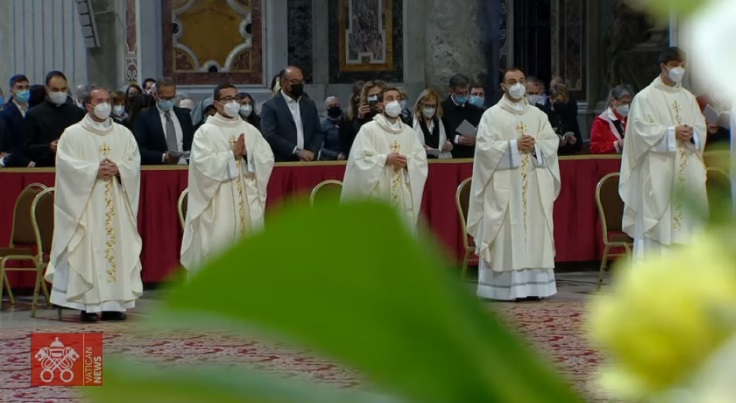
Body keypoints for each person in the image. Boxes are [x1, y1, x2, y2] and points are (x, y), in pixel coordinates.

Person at [44, 86, 143, 322]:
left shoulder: (123, 134)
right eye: (99, 100)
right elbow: (66, 167)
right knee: (87, 247)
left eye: (108, 100)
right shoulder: (73, 134)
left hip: (117, 203)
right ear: (87, 105)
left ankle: (114, 304)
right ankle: (88, 305)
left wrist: (120, 169)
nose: (105, 105)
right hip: (86, 205)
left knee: (117, 247)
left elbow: (134, 162)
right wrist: (93, 170)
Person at [467, 67, 561, 301]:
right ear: (503, 86)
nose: (517, 85)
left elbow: (551, 142)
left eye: (521, 80)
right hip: (505, 187)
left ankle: (536, 287)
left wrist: (535, 145)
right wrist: (513, 146)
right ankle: (502, 287)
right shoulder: (492, 115)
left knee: (534, 231)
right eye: (512, 81)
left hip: (534, 183)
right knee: (507, 231)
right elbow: (485, 149)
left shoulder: (538, 115)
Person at [619, 47, 708, 262]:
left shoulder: (687, 97)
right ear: (664, 67)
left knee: (688, 227)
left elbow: (700, 126)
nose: (679, 70)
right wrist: (672, 132)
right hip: (660, 170)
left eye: (682, 65)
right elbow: (639, 132)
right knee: (658, 226)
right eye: (675, 65)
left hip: (687, 170)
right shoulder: (645, 97)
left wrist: (692, 133)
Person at [181, 84, 275, 273]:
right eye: (227, 99)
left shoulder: (250, 130)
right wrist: (230, 154)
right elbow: (202, 167)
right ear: (216, 104)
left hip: (248, 201)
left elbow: (267, 159)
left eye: (236, 98)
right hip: (218, 205)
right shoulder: (205, 132)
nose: (234, 103)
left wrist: (249, 155)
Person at [341, 86, 428, 232]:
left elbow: (420, 161)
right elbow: (358, 161)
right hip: (377, 195)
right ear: (380, 104)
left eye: (398, 99)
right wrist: (384, 159)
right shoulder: (368, 130)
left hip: (402, 196)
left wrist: (408, 161)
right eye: (390, 98)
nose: (395, 102)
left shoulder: (409, 133)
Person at [260, 66, 323, 162]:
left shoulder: (309, 105)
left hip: (308, 162)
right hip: (282, 162)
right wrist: (296, 151)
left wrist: (312, 152)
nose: (299, 85)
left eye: (301, 82)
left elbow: (318, 132)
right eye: (294, 82)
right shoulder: (270, 106)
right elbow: (269, 135)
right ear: (283, 82)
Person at [23, 71, 86, 167]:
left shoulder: (78, 113)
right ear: (47, 89)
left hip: (74, 166)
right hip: (47, 167)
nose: (60, 93)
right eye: (55, 90)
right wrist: (49, 147)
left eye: (63, 89)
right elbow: (26, 148)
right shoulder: (34, 114)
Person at [133, 77, 195, 165]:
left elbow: (191, 143)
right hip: (160, 169)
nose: (169, 101)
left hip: (185, 168)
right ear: (155, 95)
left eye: (172, 97)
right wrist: (162, 157)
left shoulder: (184, 115)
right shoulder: (145, 117)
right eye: (165, 98)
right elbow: (138, 148)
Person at [442, 74, 483, 159]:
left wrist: (475, 140)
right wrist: (456, 139)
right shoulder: (442, 108)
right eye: (460, 94)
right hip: (451, 157)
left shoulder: (475, 110)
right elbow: (438, 134)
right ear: (451, 91)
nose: (464, 96)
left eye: (466, 93)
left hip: (471, 156)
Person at [590, 85, 635, 154]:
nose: (627, 106)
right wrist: (618, 144)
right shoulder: (601, 121)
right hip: (610, 162)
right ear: (613, 101)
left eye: (629, 103)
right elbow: (595, 148)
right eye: (624, 102)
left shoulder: (631, 119)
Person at [0, 75, 33, 167]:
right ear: (12, 91)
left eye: (26, 87)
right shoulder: (5, 114)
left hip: (34, 160)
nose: (24, 91)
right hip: (16, 163)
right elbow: (8, 143)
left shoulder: (34, 111)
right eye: (20, 88)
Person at [413, 88, 453, 159]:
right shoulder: (411, 123)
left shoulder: (441, 122)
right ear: (420, 105)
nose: (430, 109)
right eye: (427, 106)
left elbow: (450, 140)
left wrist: (448, 146)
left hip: (439, 163)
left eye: (433, 106)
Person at [320, 96, 348, 160]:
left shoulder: (347, 121)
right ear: (326, 108)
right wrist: (336, 155)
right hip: (331, 161)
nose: (333, 107)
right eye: (330, 106)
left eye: (335, 105)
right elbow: (320, 148)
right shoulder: (323, 125)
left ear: (339, 105)